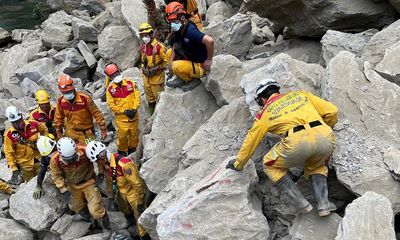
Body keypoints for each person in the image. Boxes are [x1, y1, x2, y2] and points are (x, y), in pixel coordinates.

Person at [226, 79, 338, 217]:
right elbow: (332, 111)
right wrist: (327, 128)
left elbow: (252, 140)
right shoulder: (301, 95)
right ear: (277, 90)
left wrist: (239, 163)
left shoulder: (265, 113)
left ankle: (302, 204)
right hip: (325, 136)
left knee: (269, 165)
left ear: (262, 99)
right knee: (317, 164)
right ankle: (324, 205)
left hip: (297, 141)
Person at [86, 141, 150, 240]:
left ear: (101, 157)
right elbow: (109, 180)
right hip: (121, 192)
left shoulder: (124, 164)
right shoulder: (106, 164)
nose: (96, 163)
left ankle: (143, 235)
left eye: (96, 161)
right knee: (124, 208)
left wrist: (141, 202)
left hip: (133, 192)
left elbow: (137, 184)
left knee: (139, 215)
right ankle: (130, 223)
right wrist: (111, 196)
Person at [50, 137, 110, 230]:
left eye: (73, 157)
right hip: (73, 185)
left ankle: (107, 226)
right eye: (68, 159)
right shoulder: (55, 160)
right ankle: (88, 219)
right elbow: (56, 174)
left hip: (89, 182)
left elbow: (99, 158)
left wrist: (101, 173)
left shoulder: (85, 150)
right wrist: (63, 189)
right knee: (76, 206)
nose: (71, 161)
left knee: (95, 210)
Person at [165, 2, 214, 90]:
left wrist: (209, 60)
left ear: (182, 18)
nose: (172, 25)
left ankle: (192, 79)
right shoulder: (180, 29)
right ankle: (181, 75)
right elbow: (175, 46)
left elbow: (209, 41)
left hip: (200, 65)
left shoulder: (190, 31)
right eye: (171, 22)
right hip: (190, 56)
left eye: (174, 21)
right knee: (169, 53)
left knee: (175, 66)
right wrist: (170, 63)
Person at [54, 74, 107, 143]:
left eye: (68, 91)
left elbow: (97, 114)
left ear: (73, 87)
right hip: (71, 133)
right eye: (64, 92)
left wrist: (103, 129)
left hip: (87, 132)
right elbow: (58, 118)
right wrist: (58, 131)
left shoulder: (85, 99)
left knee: (90, 150)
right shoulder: (61, 102)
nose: (67, 93)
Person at [4, 106, 49, 184]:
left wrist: (45, 141)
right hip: (25, 167)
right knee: (31, 184)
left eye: (18, 121)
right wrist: (14, 168)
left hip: (39, 159)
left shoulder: (33, 124)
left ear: (21, 117)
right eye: (14, 122)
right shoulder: (9, 135)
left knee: (45, 181)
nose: (17, 124)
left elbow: (44, 129)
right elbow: (9, 152)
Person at [105, 65, 141, 156]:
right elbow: (111, 105)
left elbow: (137, 97)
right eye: (113, 75)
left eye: (116, 73)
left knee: (134, 136)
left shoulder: (130, 83)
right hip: (121, 120)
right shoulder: (110, 90)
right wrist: (124, 111)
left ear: (119, 71)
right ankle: (122, 151)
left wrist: (134, 108)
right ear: (109, 77)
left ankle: (133, 151)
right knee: (122, 137)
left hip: (134, 116)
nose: (115, 76)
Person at [139, 23, 168, 114]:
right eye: (142, 36)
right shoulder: (143, 46)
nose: (144, 38)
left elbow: (167, 61)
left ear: (151, 34)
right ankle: (152, 115)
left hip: (156, 78)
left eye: (146, 35)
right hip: (146, 77)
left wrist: (158, 68)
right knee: (150, 99)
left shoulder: (159, 47)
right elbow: (143, 60)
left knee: (159, 99)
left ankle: (161, 115)